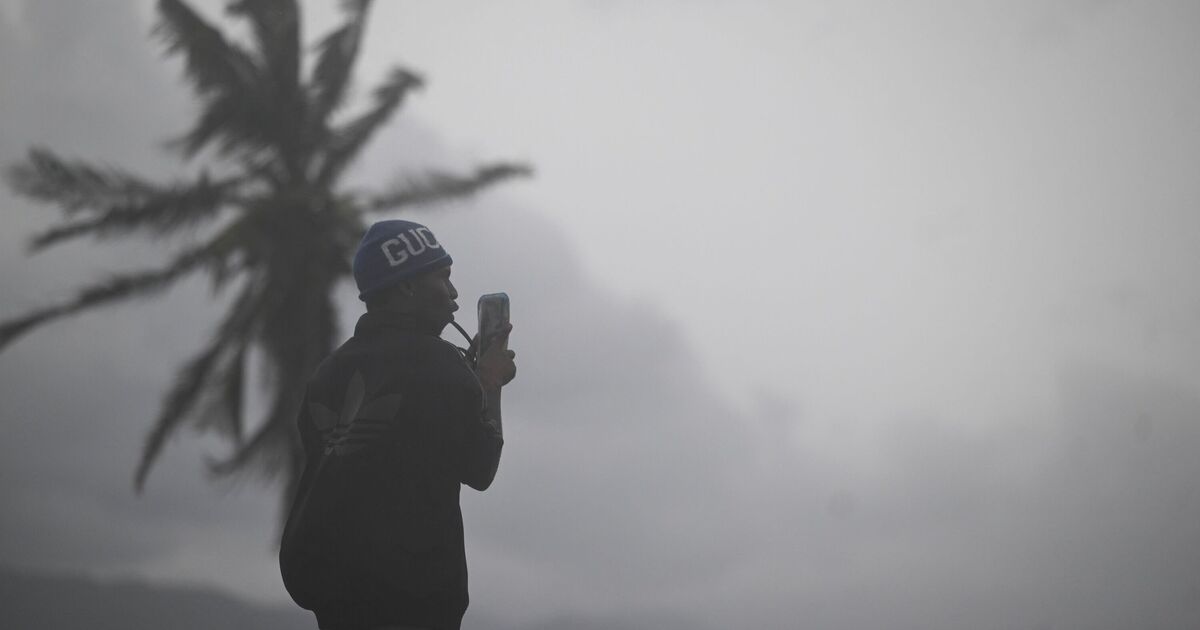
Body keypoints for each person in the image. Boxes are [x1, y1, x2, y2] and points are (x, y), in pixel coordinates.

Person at [279, 219, 516, 630]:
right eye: (443, 278)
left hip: (333, 598)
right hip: (412, 603)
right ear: (407, 287)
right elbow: (480, 468)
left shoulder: (327, 374)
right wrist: (489, 383)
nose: (455, 295)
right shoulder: (440, 363)